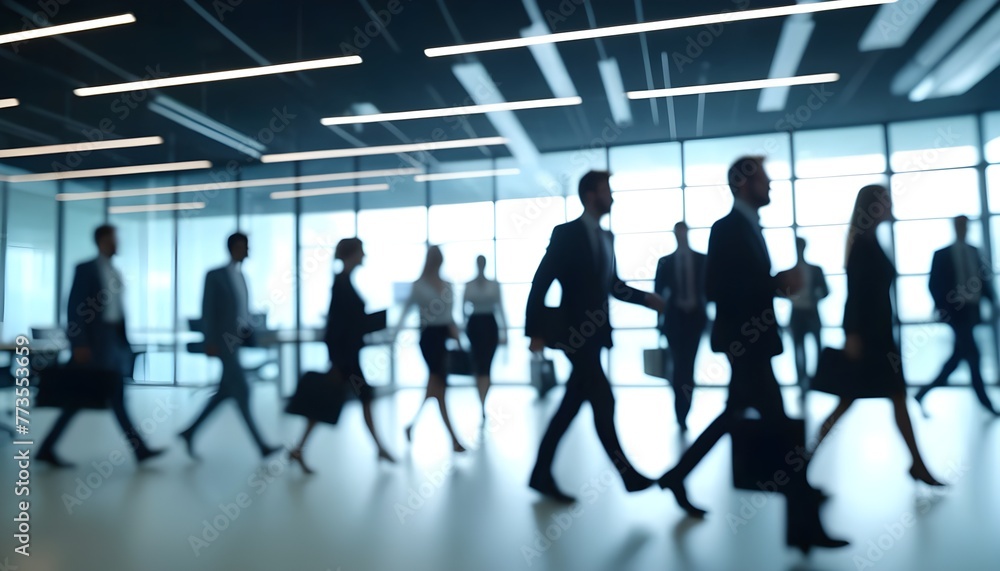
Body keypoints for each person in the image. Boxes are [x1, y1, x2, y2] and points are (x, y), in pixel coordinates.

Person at [657, 157, 848, 552]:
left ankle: (679, 476)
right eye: (765, 180)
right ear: (744, 184)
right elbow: (719, 289)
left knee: (735, 417)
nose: (771, 186)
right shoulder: (727, 229)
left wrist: (772, 285)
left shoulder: (746, 227)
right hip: (746, 345)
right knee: (780, 428)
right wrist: (775, 284)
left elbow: (739, 285)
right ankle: (802, 519)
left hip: (752, 344)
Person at [526, 170, 666, 503]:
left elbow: (613, 286)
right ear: (591, 194)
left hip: (596, 335)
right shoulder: (566, 234)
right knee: (604, 401)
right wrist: (535, 332)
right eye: (607, 191)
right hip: (574, 337)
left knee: (571, 407)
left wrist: (647, 299)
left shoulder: (607, 238)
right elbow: (540, 283)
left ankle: (540, 474)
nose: (612, 197)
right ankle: (627, 476)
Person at [810, 185, 945, 486]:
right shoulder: (862, 245)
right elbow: (855, 294)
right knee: (851, 401)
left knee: (893, 398)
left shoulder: (868, 242)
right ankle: (803, 462)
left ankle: (918, 464)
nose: (889, 205)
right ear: (872, 208)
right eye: (884, 201)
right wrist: (853, 333)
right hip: (870, 338)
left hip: (879, 336)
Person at [38, 225, 164, 467]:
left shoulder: (115, 271)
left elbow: (117, 310)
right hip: (95, 343)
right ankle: (139, 450)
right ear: (101, 241)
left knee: (98, 394)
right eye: (113, 239)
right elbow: (74, 308)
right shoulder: (86, 269)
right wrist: (79, 343)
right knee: (100, 394)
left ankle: (47, 448)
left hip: (114, 339)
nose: (117, 243)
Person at [179, 233, 279, 459]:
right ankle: (261, 445)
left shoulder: (243, 277)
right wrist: (210, 341)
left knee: (225, 393)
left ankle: (189, 431)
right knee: (242, 390)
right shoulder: (215, 275)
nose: (248, 251)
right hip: (222, 343)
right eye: (245, 247)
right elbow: (208, 311)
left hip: (238, 340)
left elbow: (242, 311)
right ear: (234, 247)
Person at [916, 215, 998, 416]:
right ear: (954, 227)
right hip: (956, 313)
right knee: (973, 355)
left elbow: (983, 281)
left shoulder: (974, 251)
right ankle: (986, 403)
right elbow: (934, 284)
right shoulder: (942, 254)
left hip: (972, 311)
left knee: (957, 357)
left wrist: (994, 303)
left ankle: (922, 393)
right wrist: (941, 307)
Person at [394, 246, 467, 452]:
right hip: (428, 338)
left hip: (444, 336)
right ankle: (453, 439)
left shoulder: (447, 284)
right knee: (438, 386)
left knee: (435, 387)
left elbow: (449, 316)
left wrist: (457, 338)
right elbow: (406, 310)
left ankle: (412, 426)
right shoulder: (419, 285)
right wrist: (393, 335)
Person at [654, 221, 708, 433]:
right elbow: (658, 295)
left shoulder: (702, 260)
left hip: (695, 319)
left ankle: (685, 411)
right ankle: (680, 412)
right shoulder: (665, 262)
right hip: (674, 321)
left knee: (689, 366)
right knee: (679, 367)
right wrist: (658, 323)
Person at [463, 255, 508, 422]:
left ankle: (483, 399)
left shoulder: (493, 284)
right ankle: (480, 400)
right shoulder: (469, 284)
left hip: (490, 326)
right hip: (475, 326)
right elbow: (463, 309)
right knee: (478, 364)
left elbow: (500, 307)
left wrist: (505, 331)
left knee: (486, 365)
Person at [789, 237, 829, 388]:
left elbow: (825, 291)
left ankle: (819, 382)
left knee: (817, 349)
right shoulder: (790, 272)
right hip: (797, 314)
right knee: (798, 350)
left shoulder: (815, 270)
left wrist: (815, 298)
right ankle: (802, 383)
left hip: (811, 313)